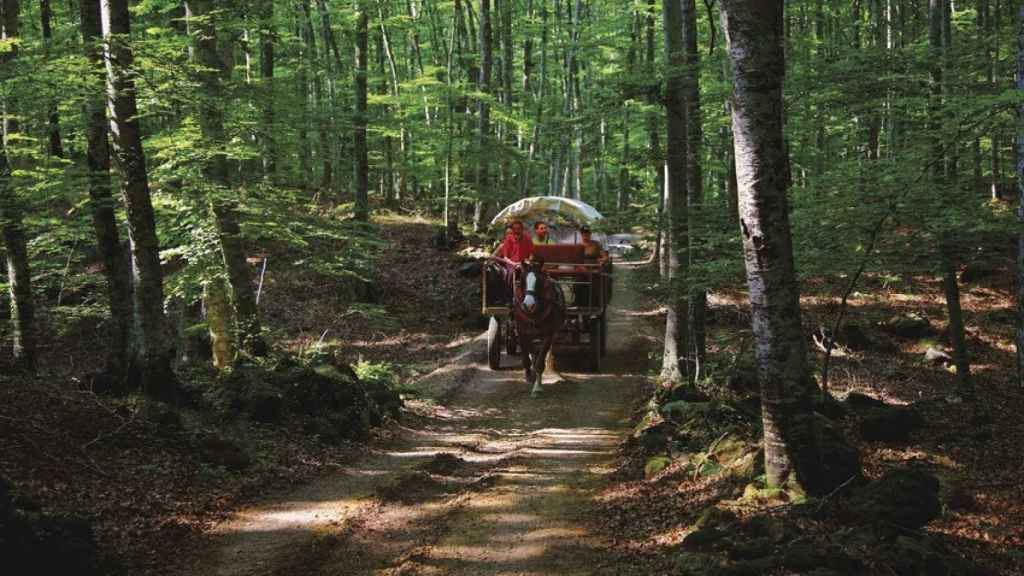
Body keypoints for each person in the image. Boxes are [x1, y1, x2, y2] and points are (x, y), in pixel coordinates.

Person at [488, 219, 534, 305]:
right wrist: (514, 264)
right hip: (511, 264)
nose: (517, 230)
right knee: (511, 273)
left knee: (532, 273)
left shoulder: (527, 238)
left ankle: (532, 296)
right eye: (515, 228)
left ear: (522, 229)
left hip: (525, 263)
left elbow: (531, 254)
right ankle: (510, 297)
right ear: (512, 230)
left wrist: (527, 261)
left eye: (519, 228)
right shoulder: (508, 239)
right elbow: (506, 257)